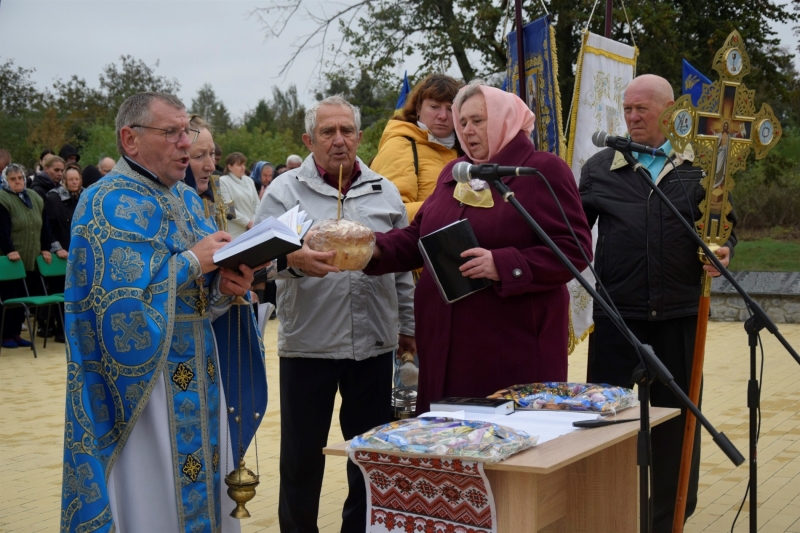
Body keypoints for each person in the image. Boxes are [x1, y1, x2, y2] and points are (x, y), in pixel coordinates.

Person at [60, 91, 268, 533]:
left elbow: (199, 297)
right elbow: (117, 315)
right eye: (171, 133)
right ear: (129, 140)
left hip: (201, 378)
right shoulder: (104, 203)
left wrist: (226, 289)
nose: (185, 144)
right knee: (153, 506)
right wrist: (194, 262)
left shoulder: (190, 200)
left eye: (186, 132)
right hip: (142, 394)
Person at [365, 81, 592, 414]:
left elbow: (575, 249)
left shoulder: (540, 170)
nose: (467, 131)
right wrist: (373, 248)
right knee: (451, 445)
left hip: (510, 347)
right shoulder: (455, 172)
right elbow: (419, 237)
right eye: (463, 122)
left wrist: (503, 264)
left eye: (478, 121)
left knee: (504, 448)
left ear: (504, 119)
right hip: (444, 343)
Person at [579, 74, 735, 533]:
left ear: (669, 112)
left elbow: (724, 228)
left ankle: (668, 521)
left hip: (679, 319)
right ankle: (606, 515)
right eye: (627, 109)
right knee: (605, 425)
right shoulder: (602, 167)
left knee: (676, 429)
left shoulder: (700, 168)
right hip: (617, 323)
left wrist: (724, 251)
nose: (631, 117)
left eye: (641, 110)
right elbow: (569, 230)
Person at [254, 95, 415, 533]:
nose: (339, 140)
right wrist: (293, 262)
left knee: (368, 458)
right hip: (309, 347)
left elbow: (400, 268)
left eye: (347, 131)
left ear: (360, 137)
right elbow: (255, 263)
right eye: (328, 132)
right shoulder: (285, 193)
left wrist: (409, 329)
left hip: (375, 346)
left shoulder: (383, 191)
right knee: (302, 462)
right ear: (309, 139)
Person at [370, 74, 462, 222]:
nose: (443, 116)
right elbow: (391, 211)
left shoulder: (467, 148)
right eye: (434, 107)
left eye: (450, 109)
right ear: (418, 108)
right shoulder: (399, 145)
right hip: (415, 243)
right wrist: (451, 211)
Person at [0, 163, 52, 349]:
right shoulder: (2, 198)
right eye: (13, 179)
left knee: (25, 296)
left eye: (20, 178)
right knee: (10, 297)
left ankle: (16, 333)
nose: (18, 182)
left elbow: (44, 226)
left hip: (31, 258)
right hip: (11, 260)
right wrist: (9, 250)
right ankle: (5, 335)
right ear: (5, 181)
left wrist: (46, 248)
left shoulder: (34, 197)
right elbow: (2, 230)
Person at [40, 165, 84, 343]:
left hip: (81, 254)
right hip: (61, 253)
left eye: (77, 179)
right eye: (71, 179)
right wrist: (56, 248)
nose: (74, 182)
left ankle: (78, 331)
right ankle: (60, 331)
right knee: (61, 292)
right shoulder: (53, 198)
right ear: (64, 181)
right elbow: (47, 227)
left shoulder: (85, 196)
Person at [219, 152, 259, 239]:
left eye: (244, 164)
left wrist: (255, 220)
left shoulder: (249, 180)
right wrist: (247, 222)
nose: (243, 167)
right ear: (229, 167)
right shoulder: (223, 181)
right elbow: (228, 208)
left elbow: (257, 203)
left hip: (253, 227)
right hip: (235, 231)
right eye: (239, 165)